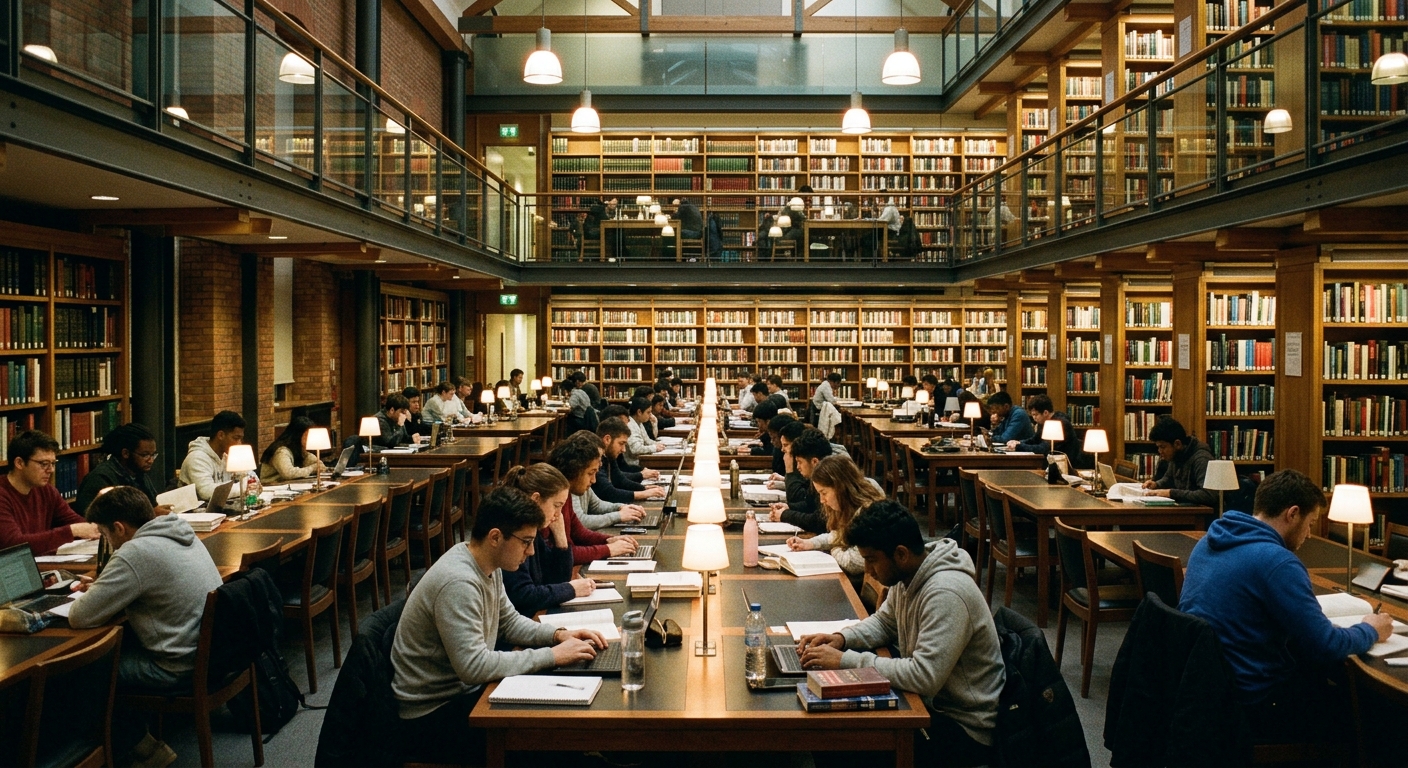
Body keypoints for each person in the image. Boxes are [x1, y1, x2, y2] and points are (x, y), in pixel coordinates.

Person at [392, 486, 606, 766]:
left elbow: (509, 622)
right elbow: (474, 667)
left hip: (461, 694)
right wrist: (552, 655)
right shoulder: (459, 583)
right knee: (548, 737)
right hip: (432, 716)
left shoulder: (485, 564)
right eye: (525, 542)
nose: (530, 552)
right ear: (495, 537)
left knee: (557, 721)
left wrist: (558, 635)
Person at [1180, 469, 1392, 744]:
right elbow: (1326, 645)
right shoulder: (1278, 562)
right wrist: (1370, 629)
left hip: (1205, 691)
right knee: (1373, 713)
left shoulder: (1211, 539)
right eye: (1310, 523)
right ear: (1292, 514)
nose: (1310, 535)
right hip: (1253, 703)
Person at [799, 500, 1006, 768]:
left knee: (841, 743)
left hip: (964, 726)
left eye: (872, 560)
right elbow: (885, 623)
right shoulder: (908, 576)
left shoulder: (946, 593)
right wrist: (841, 638)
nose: (869, 570)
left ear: (900, 553)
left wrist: (844, 661)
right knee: (832, 733)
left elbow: (924, 676)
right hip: (928, 704)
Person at [68, 486, 224, 768]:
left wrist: (107, 589)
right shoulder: (180, 532)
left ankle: (141, 749)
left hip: (174, 667)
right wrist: (108, 588)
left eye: (104, 535)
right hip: (212, 653)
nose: (107, 542)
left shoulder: (134, 552)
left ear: (118, 528)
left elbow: (80, 616)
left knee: (87, 669)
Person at [499, 464, 597, 617]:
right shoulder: (513, 532)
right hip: (522, 620)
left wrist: (561, 537)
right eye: (556, 506)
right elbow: (524, 596)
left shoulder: (534, 529)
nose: (559, 514)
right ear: (536, 499)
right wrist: (571, 589)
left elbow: (556, 579)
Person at [786, 454, 884, 582]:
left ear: (840, 488)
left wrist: (835, 547)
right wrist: (809, 543)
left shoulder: (867, 511)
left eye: (824, 493)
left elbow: (853, 563)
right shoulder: (846, 506)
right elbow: (837, 535)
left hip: (865, 581)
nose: (821, 500)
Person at [0, 430, 99, 556]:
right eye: (44, 464)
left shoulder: (46, 490)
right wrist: (71, 531)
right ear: (19, 463)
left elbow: (76, 522)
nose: (51, 470)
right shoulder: (3, 495)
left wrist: (93, 528)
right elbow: (14, 545)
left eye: (53, 463)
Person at [546, 435, 640, 563]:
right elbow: (564, 555)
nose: (594, 480)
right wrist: (608, 549)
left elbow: (579, 533)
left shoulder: (565, 493)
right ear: (574, 470)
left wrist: (608, 540)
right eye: (590, 473)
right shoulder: (549, 500)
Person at [75, 422, 162, 515]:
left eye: (153, 455)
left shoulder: (139, 473)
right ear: (125, 453)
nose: (151, 460)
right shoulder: (100, 479)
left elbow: (152, 504)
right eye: (145, 455)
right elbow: (103, 521)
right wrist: (152, 514)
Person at [1141, 416, 1218, 507]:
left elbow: (1208, 495)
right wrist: (1156, 484)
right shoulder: (1176, 455)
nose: (1159, 451)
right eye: (1158, 447)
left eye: (1163, 447)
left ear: (1177, 444)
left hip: (1201, 516)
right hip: (1186, 511)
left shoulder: (1202, 459)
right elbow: (1169, 478)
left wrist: (1171, 493)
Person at [769, 426, 833, 534]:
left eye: (800, 462)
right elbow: (810, 504)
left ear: (814, 462)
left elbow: (820, 522)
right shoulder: (817, 476)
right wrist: (789, 507)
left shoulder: (830, 479)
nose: (798, 467)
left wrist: (786, 515)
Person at [594, 418, 666, 504]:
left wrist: (644, 488)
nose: (624, 450)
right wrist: (644, 494)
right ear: (607, 439)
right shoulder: (594, 458)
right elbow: (608, 493)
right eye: (621, 443)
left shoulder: (609, 455)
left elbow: (619, 480)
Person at [179, 410, 245, 501]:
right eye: (236, 438)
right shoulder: (197, 458)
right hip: (197, 513)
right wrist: (243, 488)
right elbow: (206, 492)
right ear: (221, 435)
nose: (239, 444)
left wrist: (248, 484)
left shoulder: (228, 454)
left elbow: (250, 478)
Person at [1007, 394, 1085, 467]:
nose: (1034, 418)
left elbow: (1044, 448)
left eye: (1036, 415)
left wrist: (1020, 446)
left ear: (1045, 412)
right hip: (1051, 462)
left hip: (1066, 464)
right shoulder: (1044, 422)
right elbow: (1035, 439)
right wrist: (1019, 442)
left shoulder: (1059, 424)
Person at [258, 416, 327, 483]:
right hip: (270, 486)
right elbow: (288, 473)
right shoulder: (281, 451)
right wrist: (312, 468)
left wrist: (318, 464)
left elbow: (309, 459)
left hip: (286, 485)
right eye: (307, 435)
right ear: (297, 435)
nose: (310, 439)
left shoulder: (298, 448)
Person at [625, 396, 663, 466]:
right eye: (648, 412)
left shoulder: (639, 423)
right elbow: (635, 449)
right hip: (633, 463)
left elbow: (647, 441)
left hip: (640, 460)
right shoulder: (630, 425)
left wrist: (659, 444)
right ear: (639, 412)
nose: (650, 415)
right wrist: (654, 448)